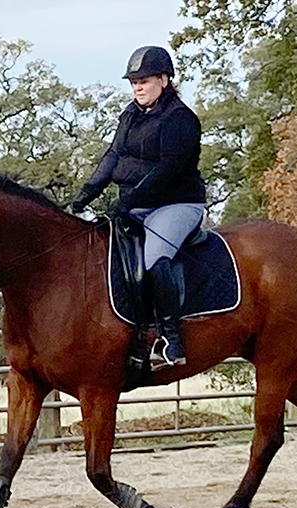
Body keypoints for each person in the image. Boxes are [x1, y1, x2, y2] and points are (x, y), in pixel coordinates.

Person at [72, 46, 206, 371]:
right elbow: (112, 157)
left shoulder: (181, 120)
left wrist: (128, 202)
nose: (137, 88)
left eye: (143, 81)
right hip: (137, 205)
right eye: (133, 82)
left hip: (176, 204)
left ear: (163, 79)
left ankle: (172, 341)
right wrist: (84, 195)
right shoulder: (130, 115)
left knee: (154, 257)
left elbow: (167, 171)